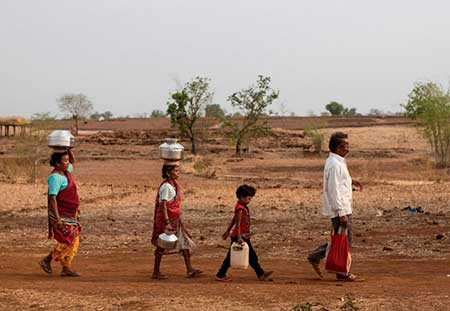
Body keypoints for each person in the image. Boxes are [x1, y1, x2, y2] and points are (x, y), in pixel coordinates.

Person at [307, 132, 363, 281]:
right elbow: (334, 190)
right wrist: (341, 212)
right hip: (340, 208)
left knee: (340, 239)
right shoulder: (334, 164)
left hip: (343, 207)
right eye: (346, 146)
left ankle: (316, 256)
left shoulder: (337, 162)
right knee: (345, 240)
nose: (348, 149)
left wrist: (351, 181)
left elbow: (339, 183)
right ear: (338, 148)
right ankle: (342, 272)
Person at [151, 163, 202, 279]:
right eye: (176, 171)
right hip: (167, 221)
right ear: (168, 173)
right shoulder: (166, 187)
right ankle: (155, 272)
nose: (178, 173)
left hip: (175, 219)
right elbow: (163, 205)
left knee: (184, 242)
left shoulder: (173, 185)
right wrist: (167, 222)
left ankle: (189, 269)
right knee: (162, 245)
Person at [215, 184, 273, 282]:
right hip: (240, 236)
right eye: (248, 198)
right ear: (242, 197)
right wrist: (238, 237)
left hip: (242, 236)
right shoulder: (240, 208)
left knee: (251, 256)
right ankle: (220, 274)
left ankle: (260, 273)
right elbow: (237, 224)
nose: (249, 200)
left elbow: (234, 220)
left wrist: (228, 231)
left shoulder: (242, 207)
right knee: (233, 257)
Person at [39, 149, 81, 277]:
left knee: (74, 239)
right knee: (68, 239)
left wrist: (68, 149)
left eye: (68, 160)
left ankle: (65, 266)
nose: (68, 163)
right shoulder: (55, 178)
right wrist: (57, 218)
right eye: (65, 160)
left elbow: (73, 162)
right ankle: (47, 259)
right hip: (60, 214)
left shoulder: (65, 172)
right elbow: (52, 198)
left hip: (69, 214)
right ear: (57, 164)